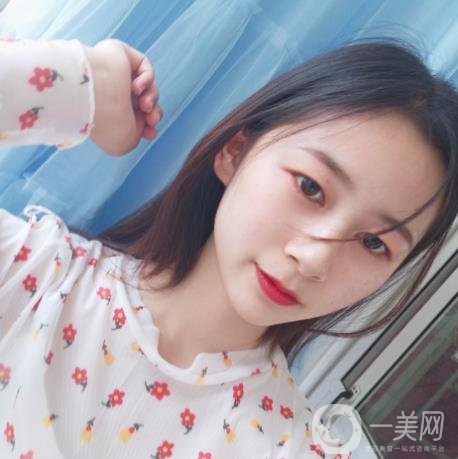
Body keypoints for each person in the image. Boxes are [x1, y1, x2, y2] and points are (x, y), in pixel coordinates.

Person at [0, 35, 457, 459]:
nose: (314, 258)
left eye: (374, 242)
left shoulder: (291, 449)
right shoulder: (35, 275)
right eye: (310, 187)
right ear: (235, 151)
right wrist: (86, 81)